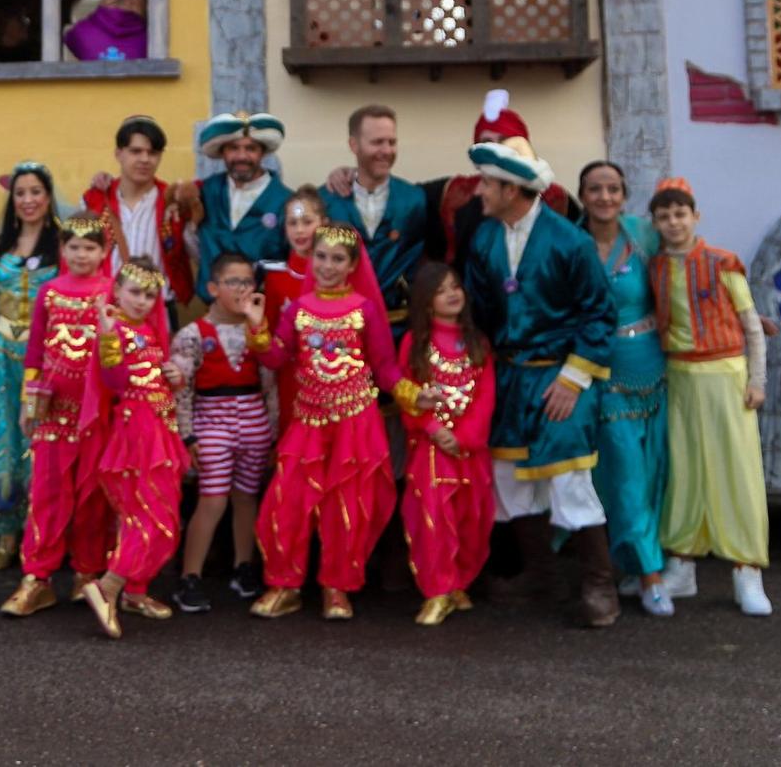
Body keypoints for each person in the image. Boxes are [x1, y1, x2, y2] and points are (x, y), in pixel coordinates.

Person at [462, 134, 620, 627]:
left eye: (487, 183)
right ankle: (540, 575)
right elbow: (478, 314)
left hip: (557, 378)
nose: (478, 190)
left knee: (570, 480)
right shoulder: (483, 238)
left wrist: (573, 380)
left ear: (512, 190)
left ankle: (599, 585)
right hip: (507, 380)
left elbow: (599, 315)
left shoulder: (569, 242)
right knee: (507, 482)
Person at [249, 222, 426, 621]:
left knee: (347, 505)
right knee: (287, 501)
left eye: (338, 259)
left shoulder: (364, 309)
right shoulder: (298, 308)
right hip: (308, 421)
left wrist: (416, 396)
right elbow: (277, 358)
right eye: (322, 257)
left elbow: (384, 368)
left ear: (352, 265)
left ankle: (338, 586)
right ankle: (284, 584)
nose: (328, 266)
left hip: (355, 423)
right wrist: (256, 326)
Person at [648, 177, 773, 618]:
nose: (673, 222)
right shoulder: (655, 268)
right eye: (664, 216)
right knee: (685, 470)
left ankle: (747, 572)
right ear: (656, 223)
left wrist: (757, 380)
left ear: (695, 217)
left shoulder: (724, 263)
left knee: (735, 471)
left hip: (725, 376)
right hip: (680, 377)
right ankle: (681, 566)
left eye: (680, 214)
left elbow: (751, 324)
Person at [1, 214, 116, 617]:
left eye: (90, 247)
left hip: (96, 417)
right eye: (74, 247)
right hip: (52, 415)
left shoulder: (112, 293)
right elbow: (34, 353)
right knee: (47, 495)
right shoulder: (49, 293)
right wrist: (28, 406)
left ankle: (87, 574)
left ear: (104, 252)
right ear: (62, 250)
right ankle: (37, 577)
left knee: (91, 496)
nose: (81, 254)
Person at [578, 160, 673, 617]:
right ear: (582, 197)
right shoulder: (573, 243)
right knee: (627, 478)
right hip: (604, 373)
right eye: (595, 189)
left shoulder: (643, 234)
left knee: (655, 476)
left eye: (612, 188)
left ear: (623, 194)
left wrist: (742, 315)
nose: (604, 197)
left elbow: (684, 272)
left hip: (654, 368)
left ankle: (636, 565)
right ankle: (653, 577)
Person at [81, 257, 189, 637]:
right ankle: (107, 587)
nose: (142, 300)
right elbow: (113, 381)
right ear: (116, 291)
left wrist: (173, 376)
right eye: (135, 292)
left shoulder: (150, 331)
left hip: (160, 431)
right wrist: (108, 336)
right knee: (149, 517)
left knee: (157, 515)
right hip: (137, 435)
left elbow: (153, 378)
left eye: (149, 294)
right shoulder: (115, 330)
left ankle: (135, 591)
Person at [168, 252, 278, 613]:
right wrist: (187, 436)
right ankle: (190, 577)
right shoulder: (192, 335)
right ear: (213, 288)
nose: (242, 289)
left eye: (248, 282)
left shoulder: (257, 329)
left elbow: (269, 381)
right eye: (233, 282)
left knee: (247, 495)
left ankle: (243, 567)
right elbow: (181, 390)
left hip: (253, 421)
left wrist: (274, 429)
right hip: (212, 422)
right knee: (212, 499)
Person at [0, 162, 61, 571]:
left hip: (45, 360)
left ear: (48, 197)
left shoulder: (64, 245)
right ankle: (4, 532)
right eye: (21, 193)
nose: (28, 200)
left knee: (40, 444)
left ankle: (38, 533)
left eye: (35, 192)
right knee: (0, 440)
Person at [396, 260, 496, 626]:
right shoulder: (414, 343)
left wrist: (465, 437)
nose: (452, 294)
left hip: (470, 450)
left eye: (455, 286)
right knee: (433, 518)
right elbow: (406, 392)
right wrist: (433, 427)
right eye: (441, 290)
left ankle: (458, 582)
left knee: (472, 520)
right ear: (425, 301)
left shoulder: (478, 342)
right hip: (432, 450)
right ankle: (437, 589)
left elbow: (485, 395)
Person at [421, 91, 578, 266]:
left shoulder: (555, 198)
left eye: (504, 141)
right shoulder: (451, 193)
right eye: (488, 142)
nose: (496, 149)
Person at [318, 104, 428, 331]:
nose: (386, 150)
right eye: (377, 142)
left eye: (392, 142)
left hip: (396, 329)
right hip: (338, 330)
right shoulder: (325, 201)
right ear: (354, 145)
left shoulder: (415, 199)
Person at [83, 116, 196, 310]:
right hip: (106, 307)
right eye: (135, 151)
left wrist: (193, 217)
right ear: (119, 153)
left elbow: (195, 253)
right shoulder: (95, 199)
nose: (144, 159)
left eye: (152, 152)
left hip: (158, 308)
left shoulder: (172, 201)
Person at [189, 112, 292, 302]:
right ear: (222, 152)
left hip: (265, 312)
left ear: (263, 152)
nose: (242, 156)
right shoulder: (205, 192)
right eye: (233, 148)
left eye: (251, 148)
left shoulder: (287, 202)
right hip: (213, 311)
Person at [260, 187, 324, 430]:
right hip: (291, 378)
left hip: (333, 374)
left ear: (323, 223)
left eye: (307, 222)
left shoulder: (336, 274)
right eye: (292, 222)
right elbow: (270, 336)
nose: (299, 230)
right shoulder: (276, 277)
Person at [63, 0, 149, 61]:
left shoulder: (81, 32)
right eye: (145, 0)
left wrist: (99, 13)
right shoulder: (149, 35)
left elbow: (70, 38)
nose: (146, 6)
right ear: (133, 0)